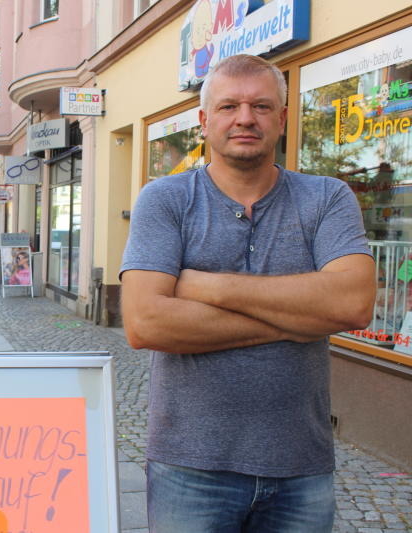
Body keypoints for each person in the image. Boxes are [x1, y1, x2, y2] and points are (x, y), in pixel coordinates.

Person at [120, 54, 376, 532]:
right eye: (228, 106)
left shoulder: (327, 197)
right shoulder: (166, 200)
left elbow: (352, 304)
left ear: (281, 118)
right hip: (189, 465)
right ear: (204, 121)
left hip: (301, 464)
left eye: (261, 106)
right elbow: (145, 323)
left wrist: (204, 285)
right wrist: (298, 318)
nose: (244, 118)